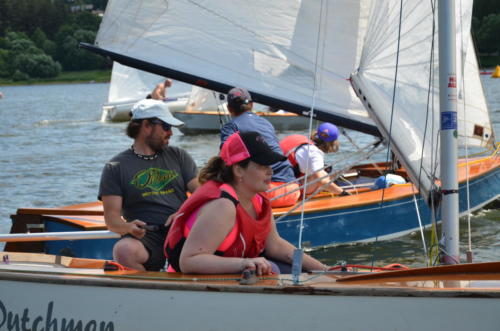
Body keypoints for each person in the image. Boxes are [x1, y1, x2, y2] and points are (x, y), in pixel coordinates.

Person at [165, 131, 327, 275]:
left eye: (270, 164)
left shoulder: (259, 198)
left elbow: (275, 245)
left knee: (305, 272)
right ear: (238, 170)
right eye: (262, 165)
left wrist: (326, 270)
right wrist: (243, 264)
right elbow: (188, 261)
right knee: (273, 270)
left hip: (232, 278)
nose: (270, 171)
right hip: (192, 287)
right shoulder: (222, 206)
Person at [98, 99, 200, 271]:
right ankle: (153, 290)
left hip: (182, 229)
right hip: (147, 236)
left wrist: (183, 213)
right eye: (166, 127)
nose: (171, 133)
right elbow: (111, 219)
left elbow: (203, 194)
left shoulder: (179, 156)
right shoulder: (115, 167)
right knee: (123, 250)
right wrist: (127, 227)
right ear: (146, 126)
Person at [220, 87, 300, 208]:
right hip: (293, 190)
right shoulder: (266, 123)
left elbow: (225, 159)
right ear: (251, 105)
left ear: (229, 108)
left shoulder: (230, 127)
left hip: (269, 193)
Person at [280, 122, 348, 196]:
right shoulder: (315, 153)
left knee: (319, 172)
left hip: (274, 177)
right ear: (333, 143)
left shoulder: (297, 137)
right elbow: (321, 181)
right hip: (283, 188)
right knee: (324, 175)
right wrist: (342, 192)